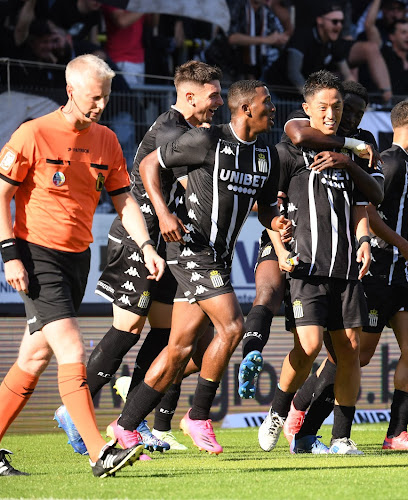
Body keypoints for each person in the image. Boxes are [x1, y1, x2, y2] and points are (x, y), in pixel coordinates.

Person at [0, 54, 163, 477]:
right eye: (94, 97)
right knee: (73, 348)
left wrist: (145, 244)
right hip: (36, 254)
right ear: (71, 91)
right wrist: (8, 252)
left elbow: (124, 200)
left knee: (34, 358)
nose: (101, 106)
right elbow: (0, 196)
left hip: (77, 258)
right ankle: (98, 452)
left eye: (106, 98)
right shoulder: (32, 133)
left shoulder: (106, 140)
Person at [107, 80, 289, 455]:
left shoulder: (266, 157)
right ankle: (198, 415)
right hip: (191, 249)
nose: (272, 107)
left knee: (180, 350)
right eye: (266, 102)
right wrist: (164, 212)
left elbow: (267, 208)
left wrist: (278, 222)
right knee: (233, 325)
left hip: (217, 256)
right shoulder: (208, 141)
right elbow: (146, 164)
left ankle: (124, 425)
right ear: (245, 110)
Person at [53, 60, 225, 455]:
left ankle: (134, 420)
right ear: (189, 95)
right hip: (138, 238)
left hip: (166, 245)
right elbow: (190, 182)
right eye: (213, 95)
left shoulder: (191, 131)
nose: (218, 102)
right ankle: (72, 408)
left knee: (165, 332)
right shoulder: (171, 130)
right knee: (128, 328)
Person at [286, 100, 408, 453]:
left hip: (405, 275)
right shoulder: (392, 161)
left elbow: (399, 217)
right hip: (378, 271)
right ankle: (303, 415)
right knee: (354, 356)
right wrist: (402, 244)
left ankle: (396, 433)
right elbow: (369, 211)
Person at [256, 71, 383, 456]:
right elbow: (267, 209)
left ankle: (341, 437)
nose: (331, 114)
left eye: (337, 107)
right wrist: (280, 247)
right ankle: (278, 412)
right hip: (307, 265)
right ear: (307, 107)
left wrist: (363, 240)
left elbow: (366, 202)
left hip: (345, 266)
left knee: (350, 350)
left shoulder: (351, 156)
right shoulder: (288, 150)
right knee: (309, 346)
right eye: (323, 107)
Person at [264, 2, 393, 103]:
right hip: (275, 91)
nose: (339, 26)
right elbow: (293, 73)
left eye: (341, 22)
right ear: (320, 20)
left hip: (297, 97)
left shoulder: (334, 42)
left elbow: (347, 75)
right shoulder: (303, 37)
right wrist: (314, 98)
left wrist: (358, 98)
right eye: (334, 21)